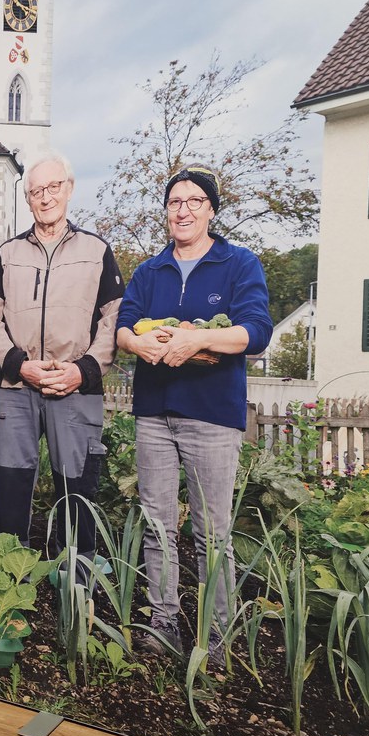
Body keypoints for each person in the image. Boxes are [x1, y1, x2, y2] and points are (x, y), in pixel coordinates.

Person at [115, 164, 273, 664]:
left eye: (193, 202)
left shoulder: (238, 264)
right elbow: (122, 330)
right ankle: (162, 628)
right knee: (159, 525)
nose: (182, 210)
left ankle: (217, 639)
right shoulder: (149, 270)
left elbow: (256, 332)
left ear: (210, 210)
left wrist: (198, 338)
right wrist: (142, 345)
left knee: (212, 533)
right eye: (174, 202)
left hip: (211, 413)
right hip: (154, 413)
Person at [0, 154, 123, 559]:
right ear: (27, 199)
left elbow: (114, 317)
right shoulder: (7, 254)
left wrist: (86, 370)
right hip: (16, 387)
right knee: (9, 482)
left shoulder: (96, 250)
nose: (45, 198)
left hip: (74, 386)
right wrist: (16, 364)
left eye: (53, 187)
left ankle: (75, 582)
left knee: (77, 489)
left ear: (69, 188)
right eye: (36, 191)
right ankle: (11, 575)